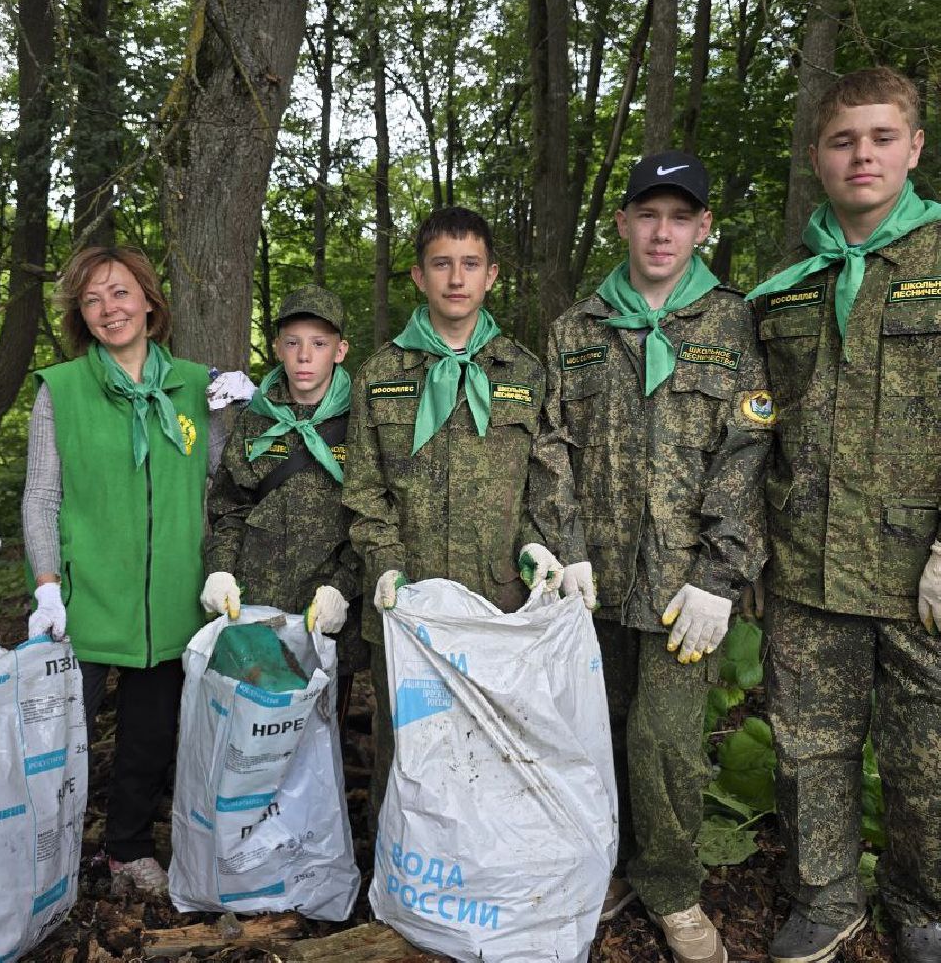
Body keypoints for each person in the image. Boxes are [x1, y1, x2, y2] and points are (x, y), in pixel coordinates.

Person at [745, 67, 941, 963]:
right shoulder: (787, 290)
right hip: (808, 569)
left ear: (913, 148)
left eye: (881, 137)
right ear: (819, 156)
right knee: (810, 750)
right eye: (844, 141)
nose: (862, 155)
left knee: (938, 757)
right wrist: (753, 550)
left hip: (927, 572)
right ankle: (827, 896)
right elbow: (761, 429)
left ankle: (922, 906)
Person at [539, 151, 771, 963]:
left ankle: (672, 885)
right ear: (624, 222)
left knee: (666, 740)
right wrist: (563, 550)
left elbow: (748, 450)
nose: (662, 231)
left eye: (680, 217)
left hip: (684, 580)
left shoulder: (736, 323)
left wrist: (719, 574)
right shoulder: (577, 328)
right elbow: (553, 445)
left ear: (703, 227)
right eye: (648, 214)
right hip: (593, 576)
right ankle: (607, 861)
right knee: (595, 729)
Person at [341, 206, 579, 810]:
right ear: (419, 277)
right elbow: (364, 487)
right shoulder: (380, 373)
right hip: (407, 602)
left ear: (491, 275)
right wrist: (387, 564)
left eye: (469, 264)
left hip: (495, 606)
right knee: (406, 753)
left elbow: (541, 482)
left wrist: (535, 547)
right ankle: (399, 887)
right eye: (441, 264)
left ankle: (479, 884)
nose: (455, 278)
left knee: (489, 757)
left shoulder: (525, 371)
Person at [21, 244, 211, 899]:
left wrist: (241, 410)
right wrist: (47, 585)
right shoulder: (61, 390)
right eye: (93, 298)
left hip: (173, 602)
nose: (109, 308)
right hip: (84, 598)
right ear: (81, 315)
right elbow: (41, 497)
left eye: (121, 292)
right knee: (57, 741)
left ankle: (126, 848)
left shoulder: (196, 383)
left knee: (150, 742)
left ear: (150, 302)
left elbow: (223, 478)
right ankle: (43, 860)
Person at [202, 285, 367, 714]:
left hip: (326, 617)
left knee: (322, 743)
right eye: (292, 343)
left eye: (319, 344)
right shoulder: (254, 421)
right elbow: (230, 508)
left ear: (341, 350)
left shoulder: (363, 426)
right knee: (256, 740)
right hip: (256, 615)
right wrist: (220, 571)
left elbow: (373, 517)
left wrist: (344, 590)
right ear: (277, 348)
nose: (304, 356)